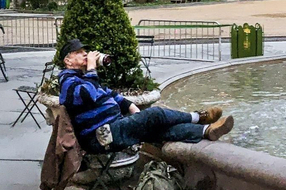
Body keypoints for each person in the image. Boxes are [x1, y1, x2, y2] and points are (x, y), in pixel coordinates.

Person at [57, 38, 232, 153]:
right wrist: (92, 68)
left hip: (113, 127)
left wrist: (132, 108)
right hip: (101, 136)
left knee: (159, 130)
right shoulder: (67, 81)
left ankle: (206, 131)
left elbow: (112, 95)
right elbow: (88, 95)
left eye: (85, 51)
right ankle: (198, 117)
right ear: (68, 60)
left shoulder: (83, 78)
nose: (86, 54)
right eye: (79, 52)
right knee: (155, 113)